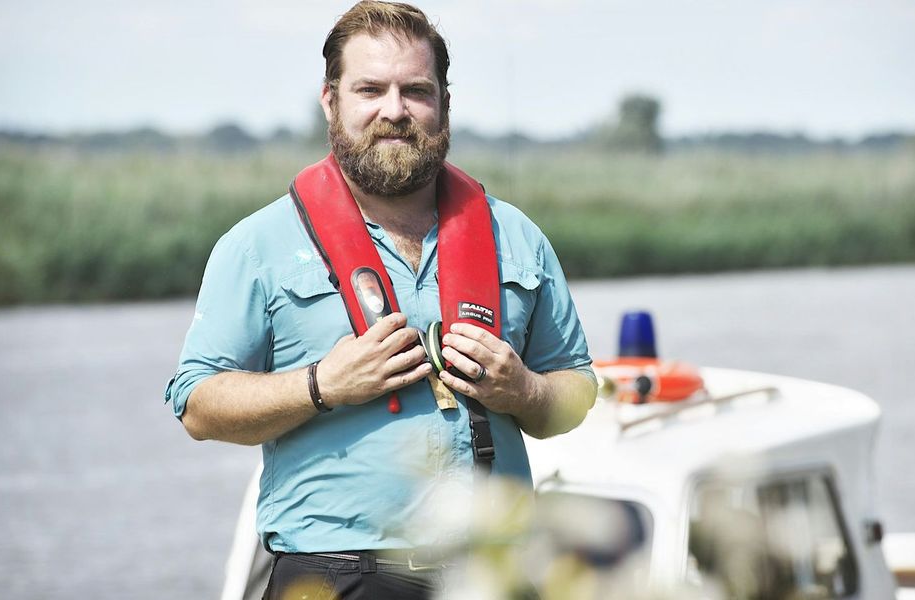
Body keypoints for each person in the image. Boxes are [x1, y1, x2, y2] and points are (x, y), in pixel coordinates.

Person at [163, 2, 597, 598]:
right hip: (337, 573)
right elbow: (197, 406)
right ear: (330, 99)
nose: (394, 111)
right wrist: (321, 384)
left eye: (415, 90)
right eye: (370, 88)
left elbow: (577, 390)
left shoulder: (514, 234)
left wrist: (524, 390)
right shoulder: (257, 246)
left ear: (444, 101)